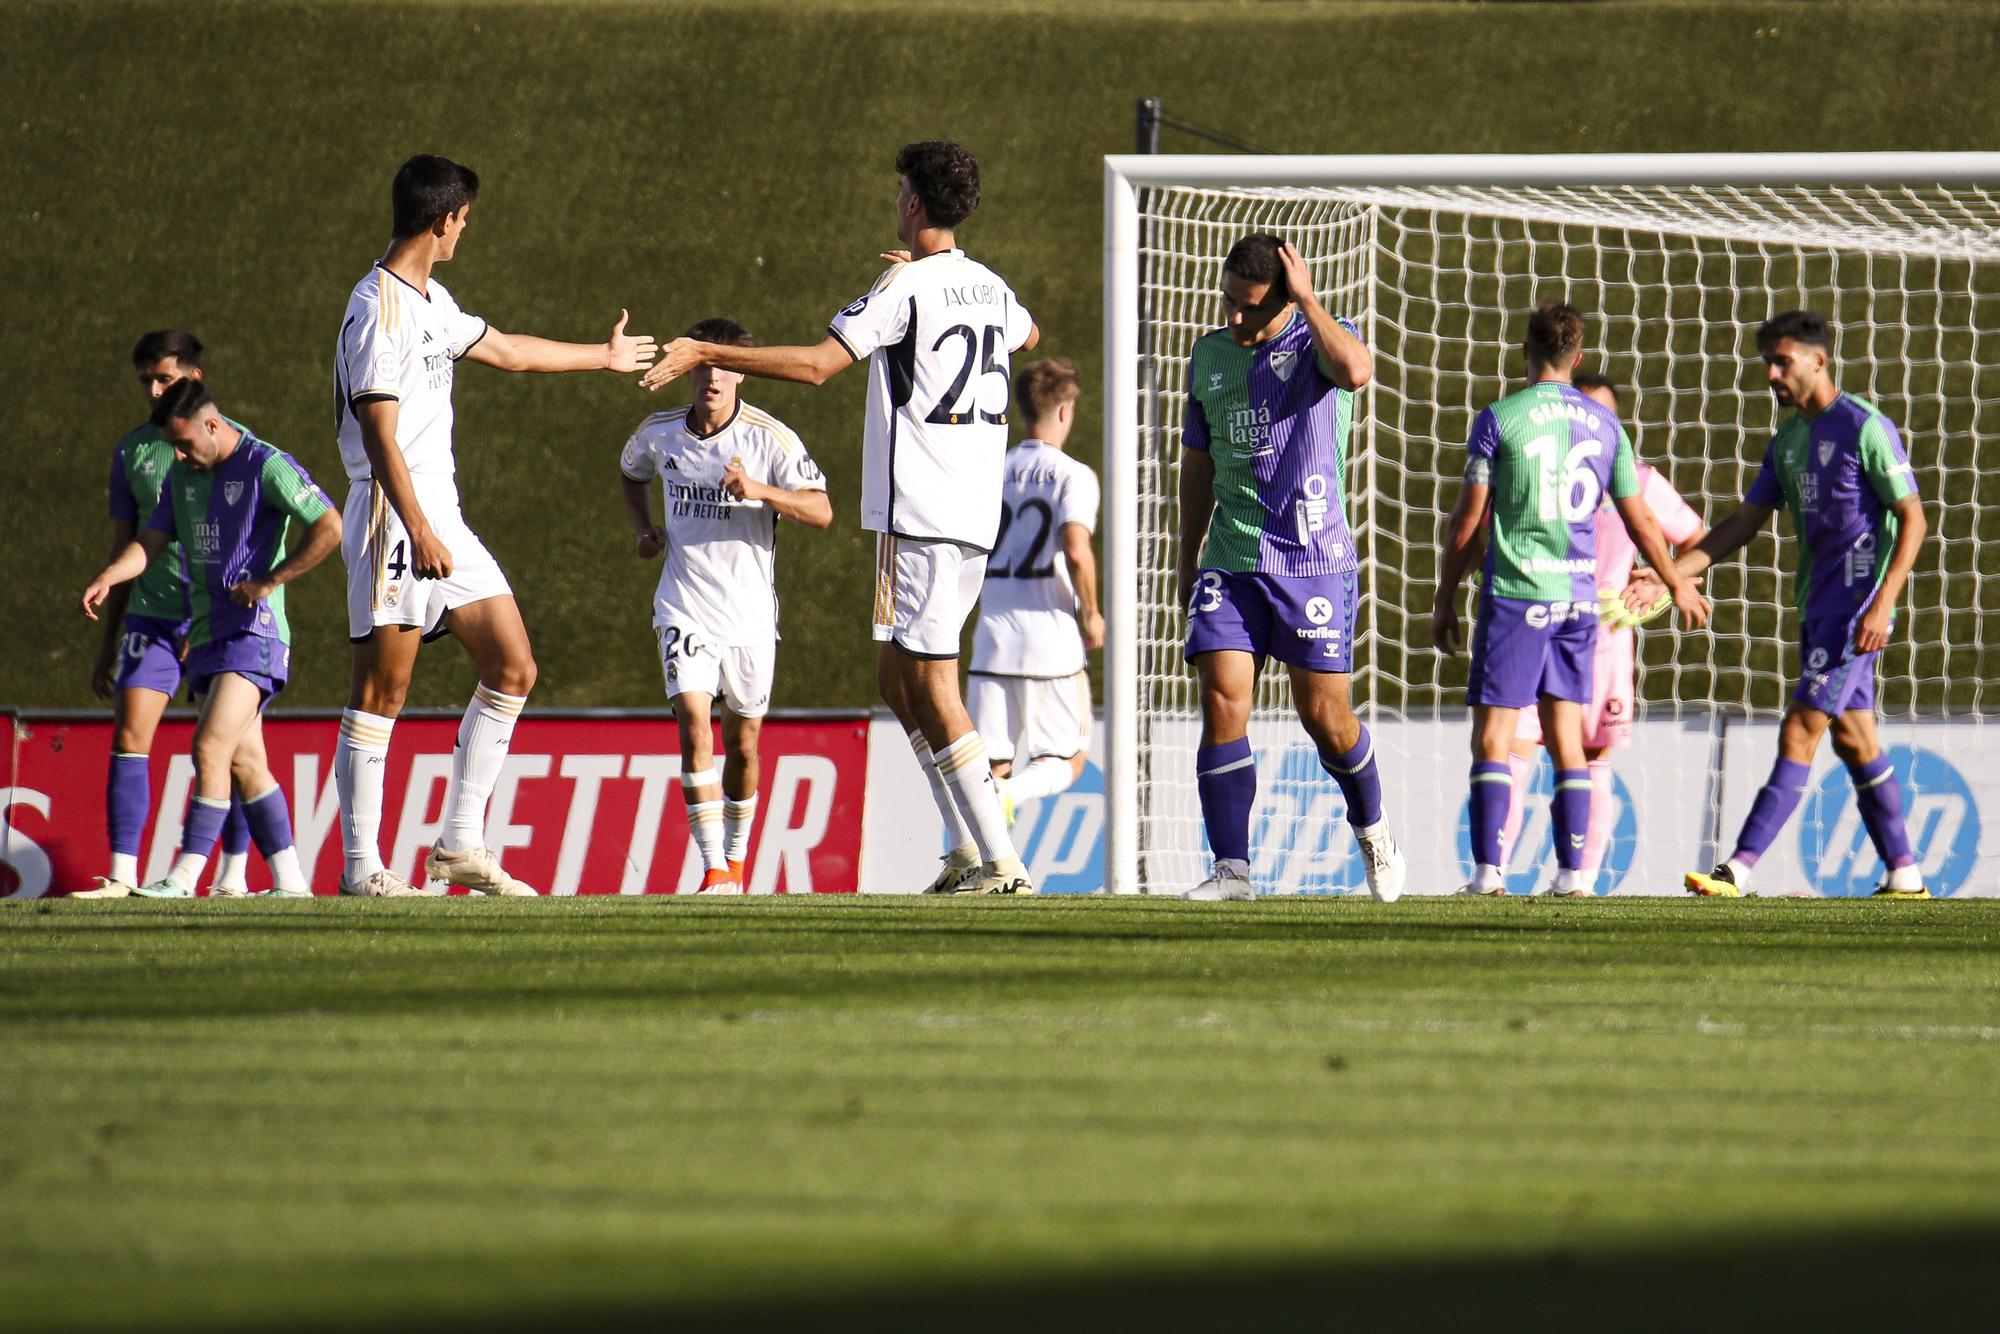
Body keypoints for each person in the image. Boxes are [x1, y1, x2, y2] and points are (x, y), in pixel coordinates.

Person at [642, 140, 1037, 896]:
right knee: (899, 678)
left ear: (914, 205)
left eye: (900, 193)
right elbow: (1030, 334)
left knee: (934, 682)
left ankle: (1004, 862)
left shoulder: (907, 289)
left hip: (919, 510)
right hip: (975, 512)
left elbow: (821, 365)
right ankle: (962, 847)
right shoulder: (989, 285)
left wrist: (709, 348)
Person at [331, 154, 656, 897]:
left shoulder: (430, 300)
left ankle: (459, 848)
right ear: (444, 220)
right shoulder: (377, 309)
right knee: (383, 691)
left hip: (436, 511)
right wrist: (418, 528)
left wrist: (601, 359)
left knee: (513, 665)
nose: (464, 231)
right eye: (465, 219)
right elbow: (378, 434)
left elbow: (505, 350)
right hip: (394, 512)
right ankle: (360, 869)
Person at [1648, 311, 1929, 899]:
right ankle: (1905, 874)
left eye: (1782, 363)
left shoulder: (1864, 427)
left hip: (1855, 612)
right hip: (1816, 609)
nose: (1772, 375)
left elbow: (1914, 519)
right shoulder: (1788, 442)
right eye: (1768, 365)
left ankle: (1737, 869)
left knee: (1800, 730)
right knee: (1855, 741)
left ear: (1818, 361)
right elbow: (1740, 526)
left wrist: (1883, 604)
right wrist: (1667, 575)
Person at [1433, 302, 1706, 898]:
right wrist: (1674, 581)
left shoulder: (1500, 418)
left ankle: (1487, 875)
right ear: (1577, 356)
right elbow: (1642, 523)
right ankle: (1574, 877)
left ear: (1524, 352)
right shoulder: (1607, 426)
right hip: (1580, 603)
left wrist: (1446, 595)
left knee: (1494, 738)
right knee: (1567, 742)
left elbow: (1467, 520)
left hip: (1516, 597)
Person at [1177, 233, 1406, 902]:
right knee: (1222, 701)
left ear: (1286, 300)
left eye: (1250, 307)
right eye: (1229, 303)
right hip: (1232, 560)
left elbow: (1358, 372)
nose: (1235, 318)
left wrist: (1307, 300)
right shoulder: (1210, 355)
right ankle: (1232, 871)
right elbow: (1197, 464)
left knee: (1325, 718)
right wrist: (1185, 558)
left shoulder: (1320, 343)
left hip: (1312, 564)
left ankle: (1373, 832)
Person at [79, 381, 341, 898]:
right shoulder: (183, 475)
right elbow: (149, 543)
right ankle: (291, 883)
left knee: (210, 745)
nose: (178, 455)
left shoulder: (266, 464)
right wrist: (112, 574)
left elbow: (329, 525)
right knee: (246, 762)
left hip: (255, 632)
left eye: (184, 443)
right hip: (207, 635)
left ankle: (183, 876)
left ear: (213, 426)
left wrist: (270, 581)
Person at [618, 317, 832, 894]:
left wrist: (761, 492)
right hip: (683, 606)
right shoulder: (659, 434)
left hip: (750, 618)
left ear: (742, 372)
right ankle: (714, 870)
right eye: (703, 365)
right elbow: (629, 471)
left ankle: (736, 862)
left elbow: (822, 510)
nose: (713, 376)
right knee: (694, 727)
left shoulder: (769, 439)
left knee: (743, 744)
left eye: (725, 366)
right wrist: (644, 528)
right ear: (689, 370)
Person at [1496, 372, 1706, 895]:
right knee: (1515, 748)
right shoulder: (1534, 469)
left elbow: (1697, 536)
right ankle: (1493, 875)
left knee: (1591, 756)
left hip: (1605, 635)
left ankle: (1580, 882)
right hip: (1537, 619)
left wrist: (1662, 579)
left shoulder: (1639, 479)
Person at [75, 332, 255, 898]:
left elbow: (256, 546)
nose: (153, 391)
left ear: (194, 380)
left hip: (219, 618)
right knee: (130, 731)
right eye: (146, 381)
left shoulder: (240, 448)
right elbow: (129, 543)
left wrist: (221, 612)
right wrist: (107, 639)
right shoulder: (133, 451)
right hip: (152, 614)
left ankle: (233, 873)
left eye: (164, 379)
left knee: (230, 748)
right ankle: (123, 874)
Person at [968, 359, 1103, 822]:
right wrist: (1092, 612)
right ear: (1064, 411)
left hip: (992, 634)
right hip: (1050, 639)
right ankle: (1014, 796)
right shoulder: (1073, 475)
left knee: (991, 765)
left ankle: (987, 867)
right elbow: (1076, 547)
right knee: (1066, 759)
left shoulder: (988, 471)